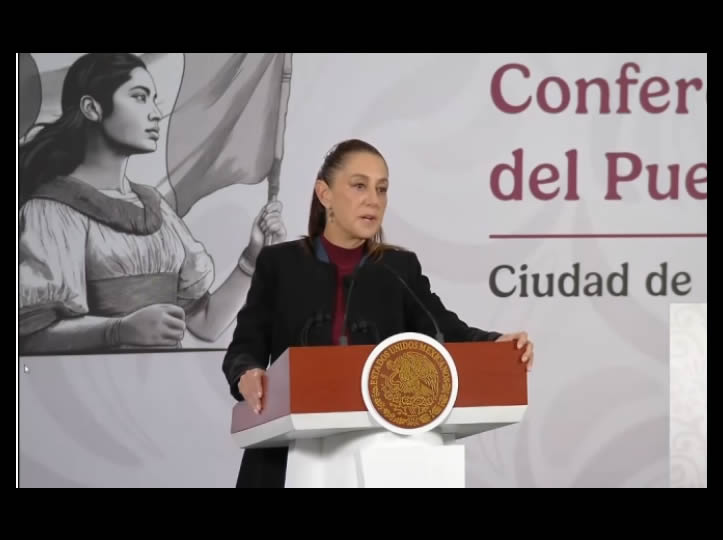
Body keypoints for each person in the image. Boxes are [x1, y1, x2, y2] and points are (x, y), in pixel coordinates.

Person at [222, 138, 535, 488]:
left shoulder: (399, 268)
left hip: (379, 460)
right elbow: (244, 348)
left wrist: (495, 344)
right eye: (359, 186)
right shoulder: (279, 264)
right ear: (325, 194)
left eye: (382, 189)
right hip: (287, 458)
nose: (374, 199)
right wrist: (246, 373)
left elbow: (445, 330)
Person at [18, 53, 286, 353]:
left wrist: (253, 257)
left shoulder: (154, 207)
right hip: (93, 383)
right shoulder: (51, 211)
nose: (156, 113)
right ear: (92, 108)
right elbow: (31, 337)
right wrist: (118, 330)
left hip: (165, 380)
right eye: (139, 97)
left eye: (154, 99)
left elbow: (206, 324)